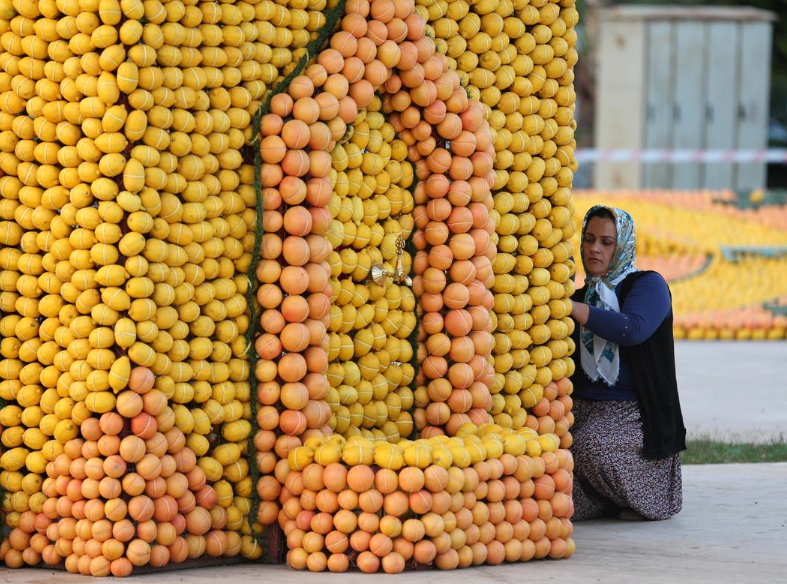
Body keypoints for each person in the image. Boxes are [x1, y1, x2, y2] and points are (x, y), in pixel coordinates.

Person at [568, 205, 686, 521]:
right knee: (548, 464)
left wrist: (574, 309)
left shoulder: (648, 285)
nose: (594, 248)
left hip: (631, 412)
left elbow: (631, 328)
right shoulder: (580, 296)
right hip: (580, 408)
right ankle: (603, 500)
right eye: (589, 239)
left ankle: (652, 498)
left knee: (591, 446)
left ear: (624, 245)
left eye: (607, 242)